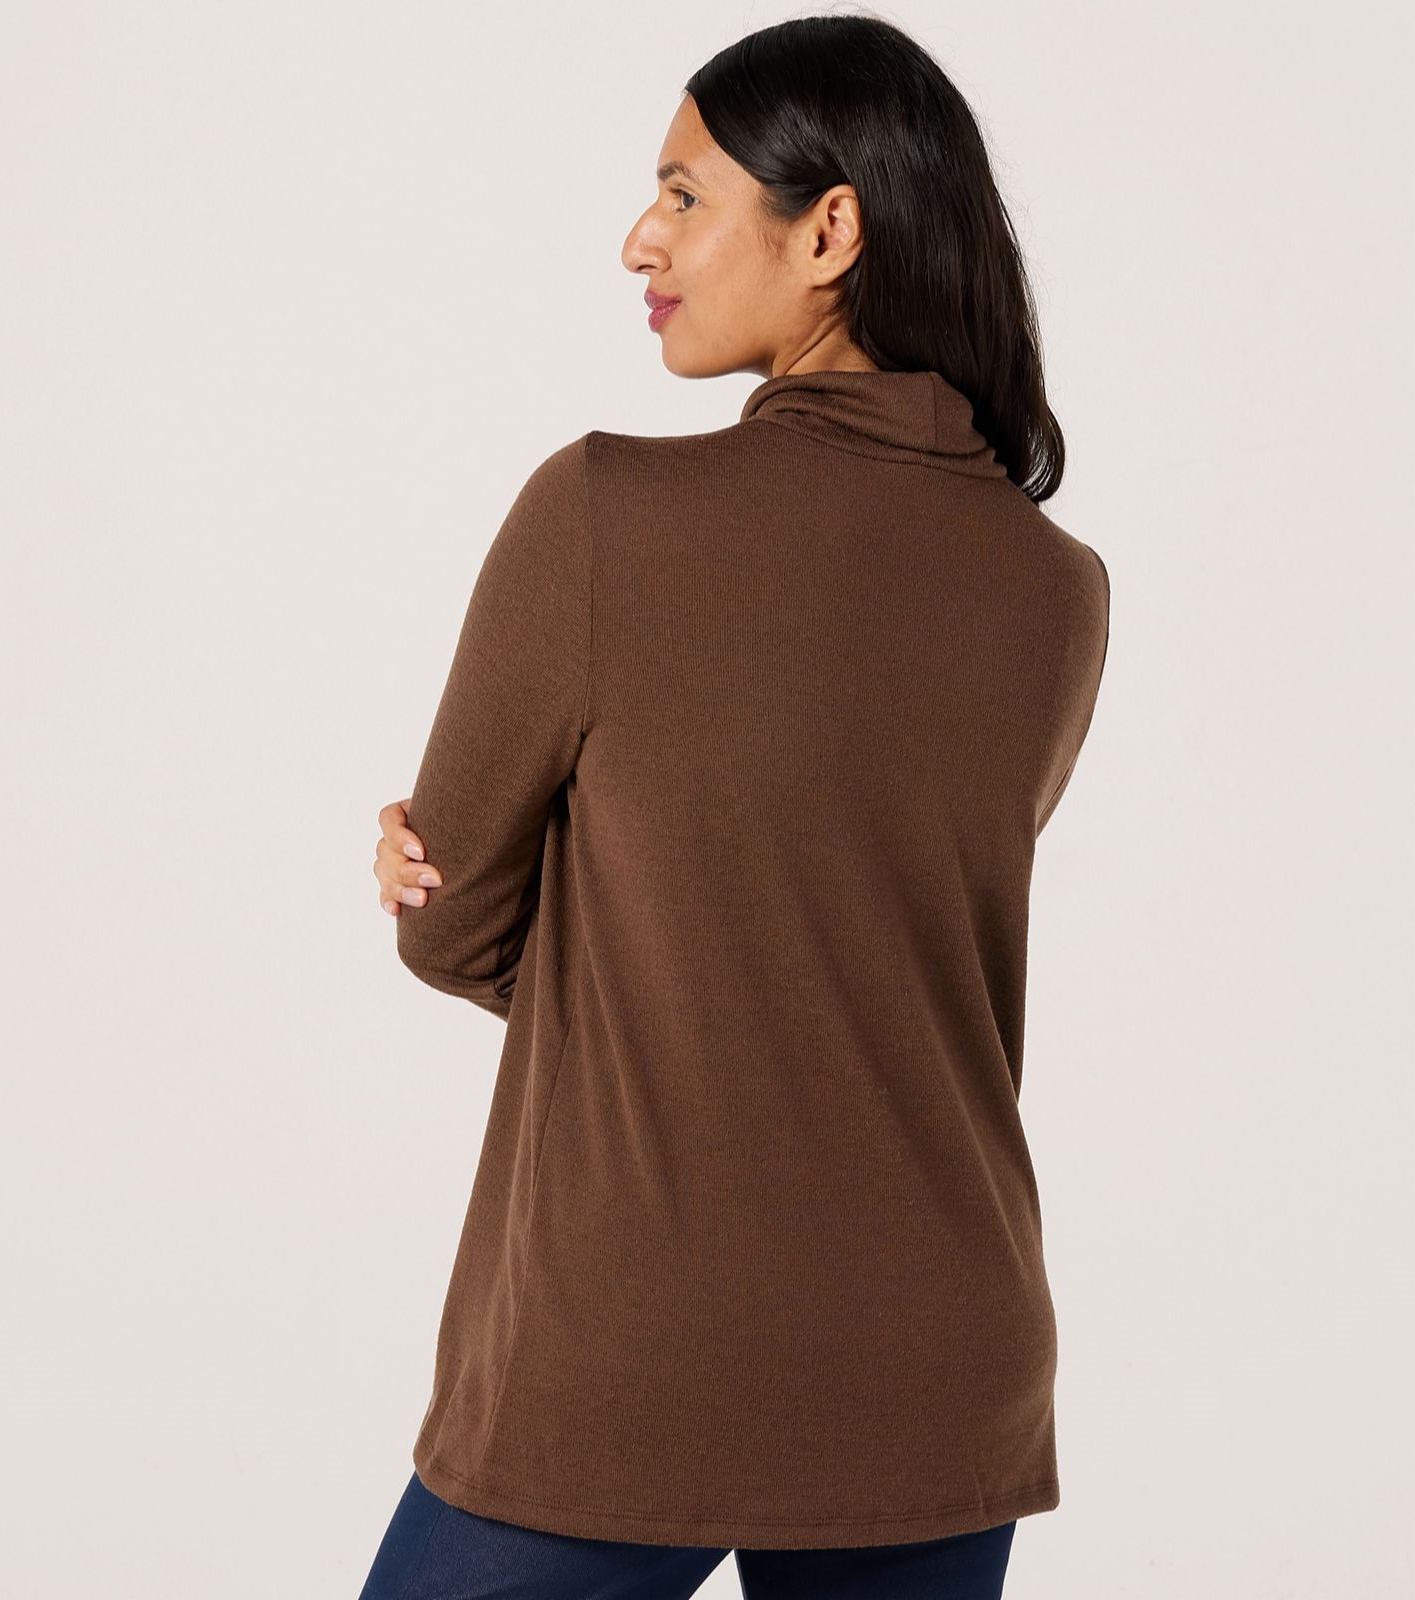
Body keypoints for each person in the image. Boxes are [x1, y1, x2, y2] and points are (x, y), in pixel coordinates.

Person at [365, 12, 1110, 1598]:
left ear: (831, 230)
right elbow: (859, 938)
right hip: (940, 1357)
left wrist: (565, 911)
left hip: (634, 1345)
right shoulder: (1060, 590)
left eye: (685, 194)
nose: (640, 238)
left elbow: (455, 931)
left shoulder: (602, 515)